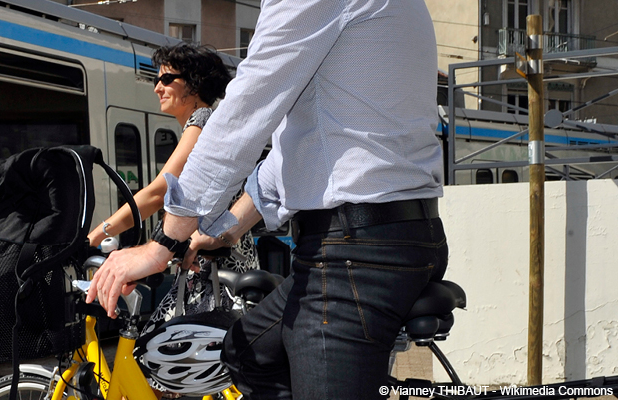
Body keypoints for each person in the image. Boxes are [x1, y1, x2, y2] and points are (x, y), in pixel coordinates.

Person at [85, 1, 447, 398]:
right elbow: (298, 153)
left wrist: (163, 244)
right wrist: (222, 229)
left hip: (354, 257)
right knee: (247, 354)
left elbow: (246, 110)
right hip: (395, 237)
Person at [86, 43, 256, 324]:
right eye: (156, 79)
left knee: (166, 348)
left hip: (215, 267)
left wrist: (96, 235)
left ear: (194, 84)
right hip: (209, 262)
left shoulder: (202, 121)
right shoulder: (202, 124)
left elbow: (156, 193)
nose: (157, 87)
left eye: (167, 79)